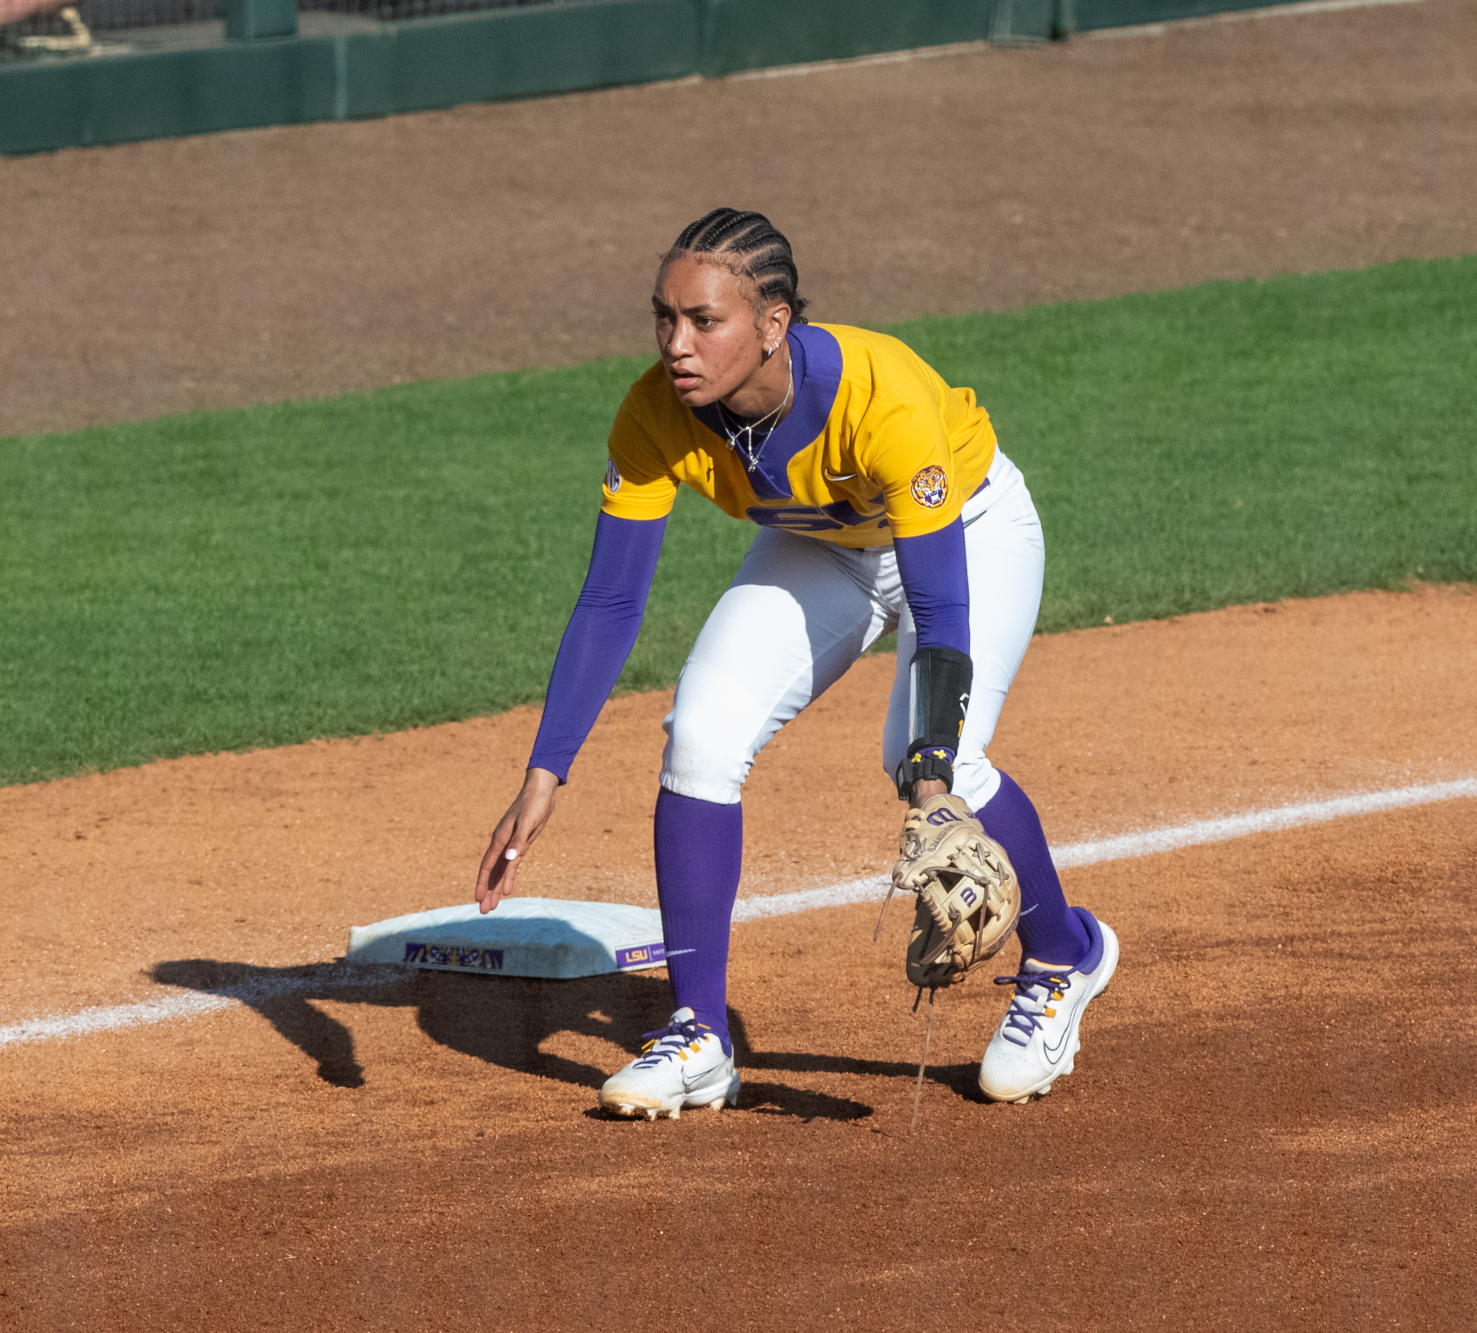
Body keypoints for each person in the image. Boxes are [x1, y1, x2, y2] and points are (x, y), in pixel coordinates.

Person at [473, 208, 1118, 1119]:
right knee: (699, 731)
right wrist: (546, 771)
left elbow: (938, 603)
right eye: (664, 317)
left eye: (705, 321)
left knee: (937, 755)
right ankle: (699, 1033)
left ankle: (1064, 956)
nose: (676, 345)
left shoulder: (879, 396)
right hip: (824, 544)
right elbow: (612, 600)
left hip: (965, 532)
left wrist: (932, 785)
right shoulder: (656, 413)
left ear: (772, 325)